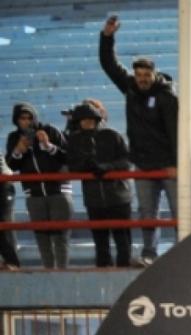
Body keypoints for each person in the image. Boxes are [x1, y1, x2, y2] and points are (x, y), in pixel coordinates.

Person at [99, 16, 177, 265]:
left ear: (154, 74)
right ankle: (149, 254)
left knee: (180, 211)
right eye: (139, 74)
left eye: (146, 74)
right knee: (147, 213)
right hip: (143, 164)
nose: (142, 78)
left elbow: (175, 132)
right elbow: (109, 64)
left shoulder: (167, 97)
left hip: (168, 165)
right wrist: (107, 37)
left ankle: (185, 253)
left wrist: (176, 163)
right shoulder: (130, 88)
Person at [64, 102, 131, 267]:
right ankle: (103, 269)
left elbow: (126, 160)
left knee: (122, 239)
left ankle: (124, 269)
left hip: (118, 196)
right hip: (94, 199)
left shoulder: (112, 135)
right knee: (100, 241)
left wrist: (106, 167)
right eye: (83, 120)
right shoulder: (74, 141)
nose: (88, 123)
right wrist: (85, 167)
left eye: (91, 120)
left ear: (97, 119)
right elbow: (71, 165)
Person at [7, 103, 71, 270]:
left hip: (59, 190)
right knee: (42, 237)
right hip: (33, 194)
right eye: (22, 118)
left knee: (60, 236)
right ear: (16, 120)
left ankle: (62, 273)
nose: (27, 122)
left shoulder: (50, 130)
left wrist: (49, 147)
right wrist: (18, 150)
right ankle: (48, 272)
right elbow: (10, 166)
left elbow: (68, 157)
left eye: (30, 118)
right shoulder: (14, 138)